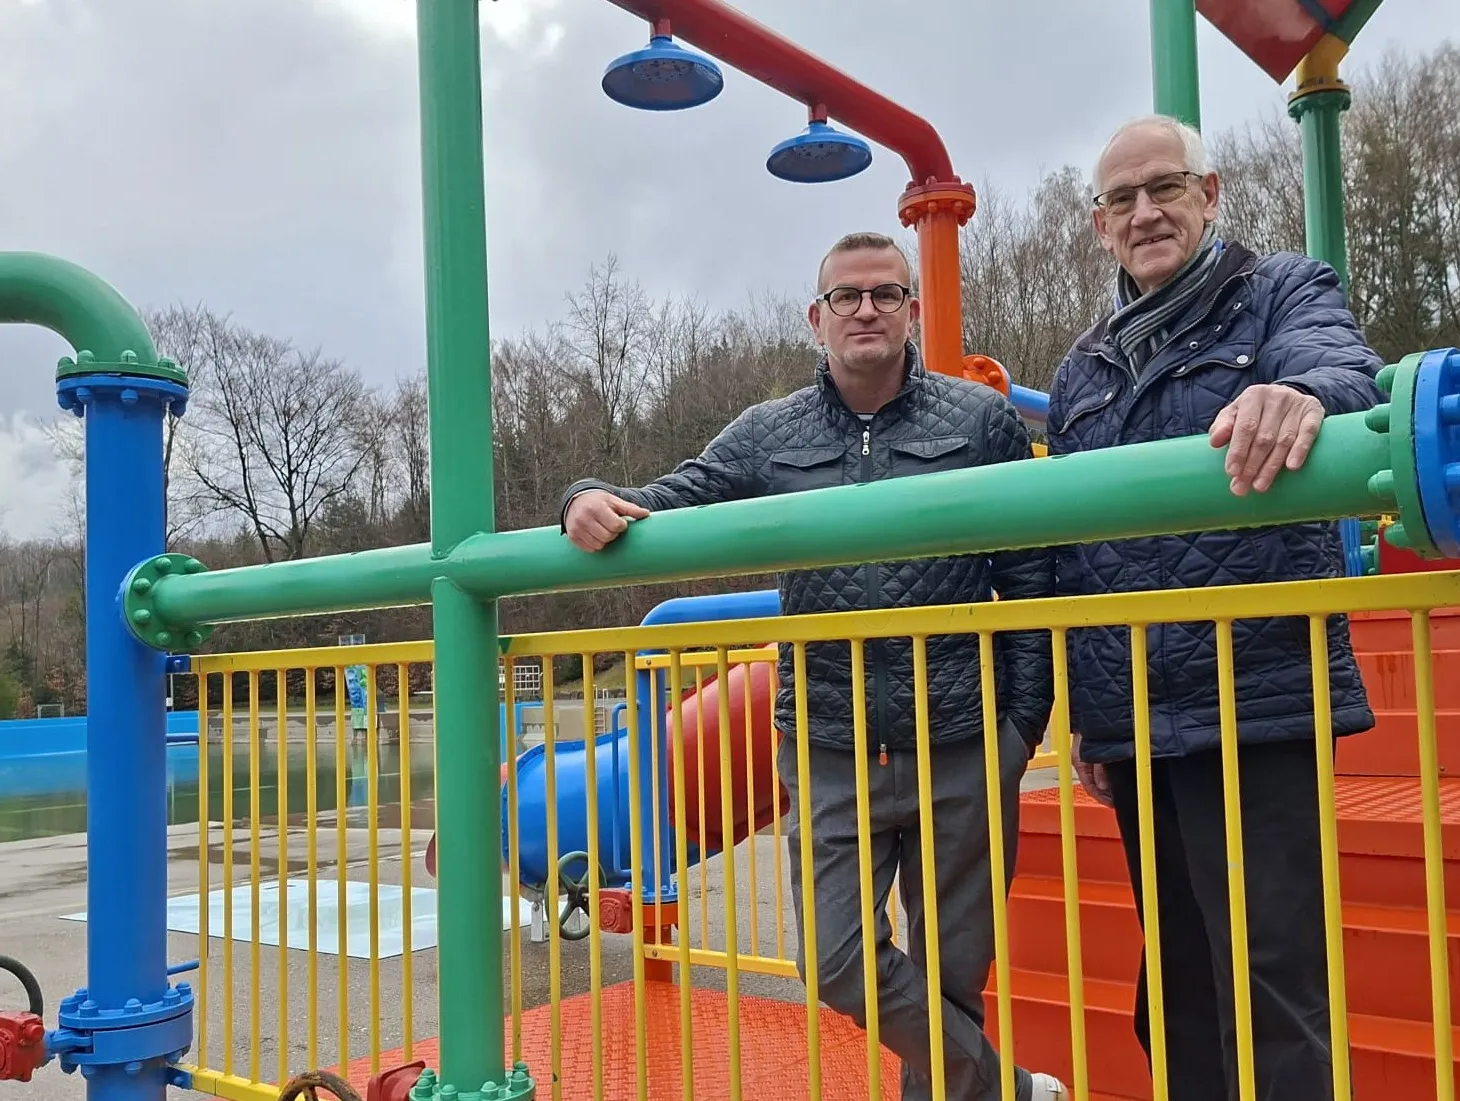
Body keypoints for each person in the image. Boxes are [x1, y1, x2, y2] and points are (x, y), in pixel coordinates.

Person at [560, 231, 1065, 1101]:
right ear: (816, 317)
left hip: (962, 736)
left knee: (951, 973)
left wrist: (1019, 728)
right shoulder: (769, 432)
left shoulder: (977, 420)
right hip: (829, 743)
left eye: (884, 293)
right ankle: (1010, 1089)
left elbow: (1027, 578)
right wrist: (582, 496)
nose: (864, 309)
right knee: (835, 963)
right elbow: (673, 495)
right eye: (846, 296)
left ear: (912, 309)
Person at [1047, 114, 1383, 1100]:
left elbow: (1342, 372)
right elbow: (1070, 550)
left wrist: (1302, 394)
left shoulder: (1281, 291)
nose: (1145, 212)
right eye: (1122, 199)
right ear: (1098, 224)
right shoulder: (1082, 370)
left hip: (1256, 691)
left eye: (1166, 188)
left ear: (1211, 193)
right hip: (1136, 718)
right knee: (1178, 982)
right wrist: (1084, 712)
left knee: (1273, 977)